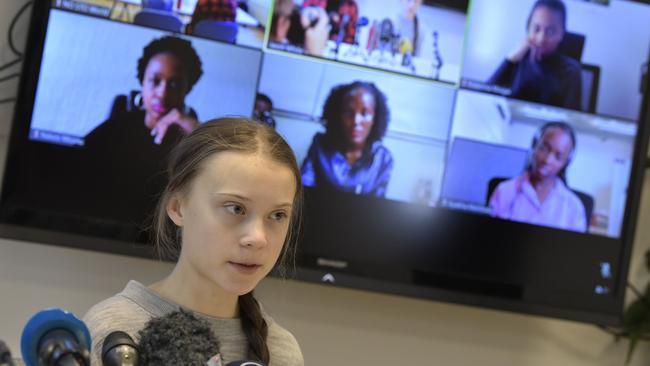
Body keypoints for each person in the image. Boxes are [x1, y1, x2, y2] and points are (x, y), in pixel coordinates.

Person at [83, 118, 305, 365]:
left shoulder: (282, 351)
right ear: (177, 207)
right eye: (235, 208)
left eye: (278, 215)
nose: (257, 238)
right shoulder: (112, 330)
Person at [82, 36, 202, 225]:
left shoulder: (190, 134)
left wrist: (187, 124)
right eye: (155, 81)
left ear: (187, 89)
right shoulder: (118, 126)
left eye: (174, 84)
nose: (162, 93)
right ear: (142, 83)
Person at [489, 121, 587, 232]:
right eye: (544, 148)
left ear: (566, 163)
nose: (547, 160)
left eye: (558, 156)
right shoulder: (505, 191)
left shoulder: (574, 208)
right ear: (534, 146)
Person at [301, 81, 393, 197]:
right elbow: (303, 190)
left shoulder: (383, 158)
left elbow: (377, 204)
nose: (356, 121)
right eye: (348, 113)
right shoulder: (320, 146)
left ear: (375, 119)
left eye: (364, 114)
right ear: (337, 115)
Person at [488, 0, 582, 110]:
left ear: (561, 34)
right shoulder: (518, 57)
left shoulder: (570, 70)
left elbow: (569, 115)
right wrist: (510, 60)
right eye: (536, 29)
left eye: (550, 31)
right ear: (528, 28)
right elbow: (485, 96)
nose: (541, 38)